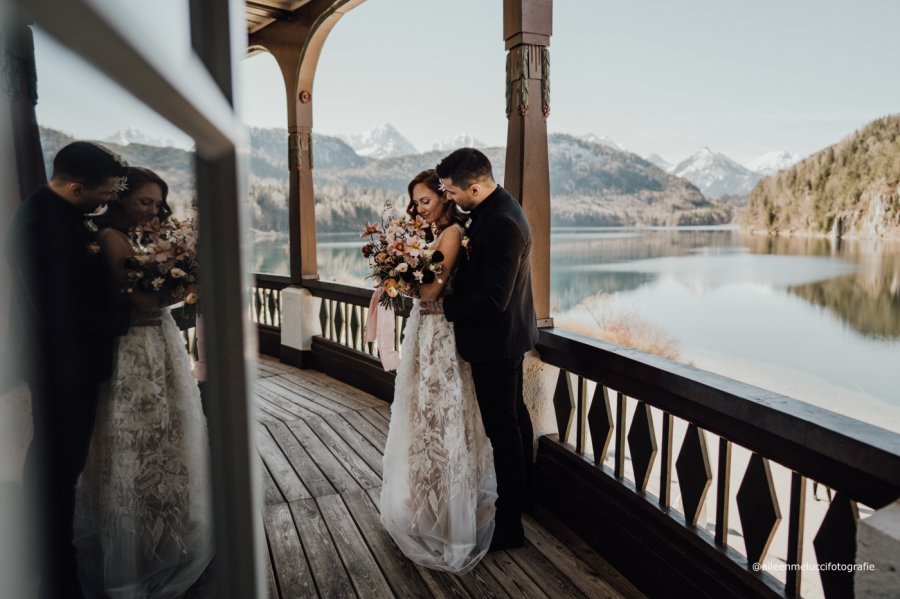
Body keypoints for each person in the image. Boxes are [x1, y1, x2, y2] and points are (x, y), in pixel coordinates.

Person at [73, 167, 213, 597]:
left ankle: (166, 529)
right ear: (121, 200)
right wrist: (181, 280)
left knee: (168, 436)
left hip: (162, 341)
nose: (151, 209)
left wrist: (181, 273)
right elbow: (141, 298)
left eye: (156, 202)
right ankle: (135, 546)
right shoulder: (115, 238)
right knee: (138, 438)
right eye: (144, 201)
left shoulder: (148, 238)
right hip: (134, 349)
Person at [4, 141, 128, 598]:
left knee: (59, 459)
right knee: (57, 462)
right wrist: (124, 317)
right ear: (75, 187)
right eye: (102, 192)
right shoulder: (39, 225)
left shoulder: (59, 213)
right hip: (63, 365)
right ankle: (54, 567)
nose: (108, 199)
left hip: (70, 362)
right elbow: (61, 310)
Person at [380, 169, 497, 573]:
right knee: (421, 418)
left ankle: (448, 517)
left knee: (440, 418)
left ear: (446, 198)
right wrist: (398, 271)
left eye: (425, 200)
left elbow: (430, 290)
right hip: (423, 331)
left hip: (440, 336)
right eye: (415, 202)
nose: (418, 208)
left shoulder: (449, 234)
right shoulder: (431, 234)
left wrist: (398, 278)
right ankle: (425, 504)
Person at [427, 147, 539, 551]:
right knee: (514, 421)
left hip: (497, 342)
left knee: (503, 431)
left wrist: (443, 306)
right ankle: (524, 500)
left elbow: (495, 299)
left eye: (454, 193)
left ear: (475, 186)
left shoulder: (504, 223)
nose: (450, 199)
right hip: (503, 338)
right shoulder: (492, 210)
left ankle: (511, 527)